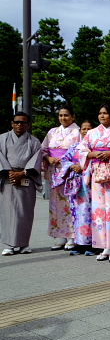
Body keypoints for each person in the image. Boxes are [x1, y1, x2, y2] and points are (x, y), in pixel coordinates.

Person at [77, 104, 110, 262]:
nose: (102, 116)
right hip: (97, 173)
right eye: (100, 113)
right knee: (98, 210)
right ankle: (104, 246)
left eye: (105, 113)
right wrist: (93, 154)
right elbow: (81, 150)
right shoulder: (91, 133)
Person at [0, 112, 42, 256]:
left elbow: (36, 161)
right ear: (12, 124)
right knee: (7, 212)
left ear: (28, 125)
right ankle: (9, 245)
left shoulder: (34, 141)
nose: (19, 125)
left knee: (25, 213)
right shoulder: (2, 139)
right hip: (7, 178)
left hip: (26, 178)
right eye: (16, 122)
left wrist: (22, 173)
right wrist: (10, 173)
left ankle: (24, 244)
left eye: (23, 122)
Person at [42, 105, 82, 251]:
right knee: (55, 204)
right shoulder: (52, 132)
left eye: (66, 115)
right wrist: (48, 158)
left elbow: (81, 150)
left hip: (70, 171)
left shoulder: (78, 132)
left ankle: (72, 236)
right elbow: (44, 149)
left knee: (70, 203)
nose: (63, 118)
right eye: (60, 115)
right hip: (55, 171)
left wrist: (71, 163)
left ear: (73, 117)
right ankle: (59, 236)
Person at [61, 120, 95, 256]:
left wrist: (83, 167)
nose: (86, 131)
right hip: (77, 186)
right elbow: (64, 159)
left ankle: (92, 244)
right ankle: (79, 243)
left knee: (91, 213)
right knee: (77, 214)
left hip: (91, 184)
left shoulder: (94, 147)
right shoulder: (75, 146)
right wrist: (72, 166)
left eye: (89, 129)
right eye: (83, 129)